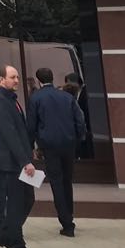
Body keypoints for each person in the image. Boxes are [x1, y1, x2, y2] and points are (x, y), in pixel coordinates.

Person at [26, 66, 85, 237]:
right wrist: (78, 139)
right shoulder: (67, 97)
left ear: (38, 81)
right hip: (68, 143)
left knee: (57, 182)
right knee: (67, 180)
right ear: (52, 78)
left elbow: (31, 125)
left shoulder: (36, 98)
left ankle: (66, 222)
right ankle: (69, 215)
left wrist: (30, 147)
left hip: (49, 145)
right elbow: (79, 120)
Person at [0, 65, 39, 248]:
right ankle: (18, 247)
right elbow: (9, 134)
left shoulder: (11, 99)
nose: (16, 80)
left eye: (17, 77)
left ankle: (4, 235)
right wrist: (24, 161)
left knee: (27, 199)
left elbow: (20, 131)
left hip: (19, 159)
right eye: (12, 77)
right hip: (11, 163)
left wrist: (30, 151)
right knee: (17, 204)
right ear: (1, 79)